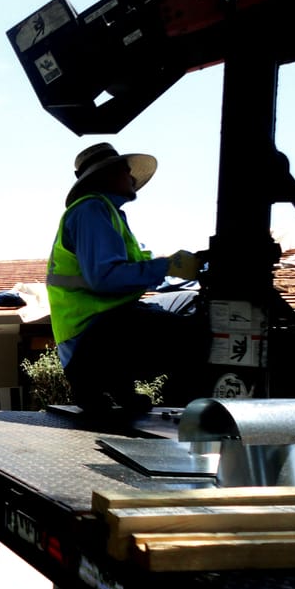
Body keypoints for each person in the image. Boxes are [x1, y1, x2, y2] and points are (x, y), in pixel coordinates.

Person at [46, 142, 208, 423]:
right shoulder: (92, 210)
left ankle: (113, 388)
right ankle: (196, 420)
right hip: (94, 340)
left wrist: (171, 268)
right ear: (105, 176)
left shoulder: (106, 214)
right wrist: (168, 266)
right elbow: (105, 278)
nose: (132, 177)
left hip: (91, 343)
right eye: (125, 171)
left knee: (158, 318)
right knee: (199, 338)